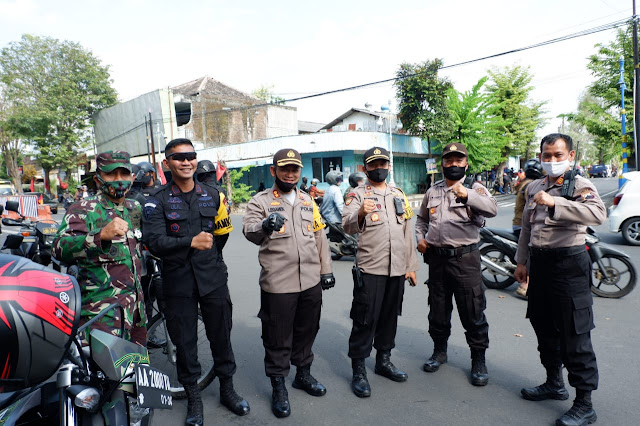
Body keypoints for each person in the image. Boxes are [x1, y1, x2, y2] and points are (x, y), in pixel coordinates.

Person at [142, 138, 249, 424]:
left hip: (212, 279)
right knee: (185, 343)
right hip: (178, 284)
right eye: (179, 158)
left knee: (221, 336)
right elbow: (153, 242)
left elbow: (222, 235)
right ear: (167, 163)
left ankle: (228, 390)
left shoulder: (212, 195)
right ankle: (194, 400)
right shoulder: (156, 199)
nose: (186, 162)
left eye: (190, 156)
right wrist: (190, 242)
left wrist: (209, 254)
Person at [514, 133, 605, 426]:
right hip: (540, 265)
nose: (551, 160)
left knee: (574, 335)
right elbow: (527, 229)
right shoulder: (534, 187)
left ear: (570, 155)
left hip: (569, 265)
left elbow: (596, 213)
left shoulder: (579, 185)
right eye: (546, 155)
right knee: (544, 327)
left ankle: (584, 404)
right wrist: (522, 262)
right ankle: (554, 383)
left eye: (557, 155)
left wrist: (555, 203)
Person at [242, 148, 334, 418]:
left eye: (295, 169)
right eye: (285, 169)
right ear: (274, 171)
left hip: (310, 281)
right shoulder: (260, 201)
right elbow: (249, 230)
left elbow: (319, 238)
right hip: (278, 283)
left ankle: (302, 375)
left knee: (308, 329)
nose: (290, 174)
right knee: (278, 336)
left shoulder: (307, 200)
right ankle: (279, 385)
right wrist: (266, 225)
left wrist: (326, 270)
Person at [415, 142, 497, 387]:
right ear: (442, 163)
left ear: (466, 163)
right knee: (438, 310)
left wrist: (468, 195)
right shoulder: (433, 191)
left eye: (458, 160)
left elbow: (491, 209)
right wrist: (420, 238)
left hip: (465, 259)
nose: (453, 164)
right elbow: (421, 220)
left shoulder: (476, 188)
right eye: (448, 160)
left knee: (472, 312)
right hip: (437, 260)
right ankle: (439, 351)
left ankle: (478, 360)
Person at [342, 146, 419, 398]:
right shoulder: (356, 194)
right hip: (371, 268)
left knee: (389, 317)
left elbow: (408, 231)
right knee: (365, 319)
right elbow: (347, 225)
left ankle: (383, 361)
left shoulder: (399, 194)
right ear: (365, 168)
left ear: (389, 166)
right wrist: (361, 214)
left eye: (383, 164)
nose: (379, 168)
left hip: (396, 269)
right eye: (373, 165)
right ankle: (359, 369)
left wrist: (411, 266)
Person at [53, 151, 146, 346]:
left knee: (134, 372)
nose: (119, 180)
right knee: (105, 375)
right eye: (111, 174)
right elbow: (59, 248)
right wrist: (100, 236)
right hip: (102, 315)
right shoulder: (83, 209)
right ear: (98, 179)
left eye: (124, 174)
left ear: (133, 177)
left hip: (136, 313)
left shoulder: (134, 208)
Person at [512, 158, 543, 299]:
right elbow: (533, 208)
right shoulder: (530, 186)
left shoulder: (525, 183)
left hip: (520, 223)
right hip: (522, 225)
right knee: (534, 249)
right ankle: (525, 285)